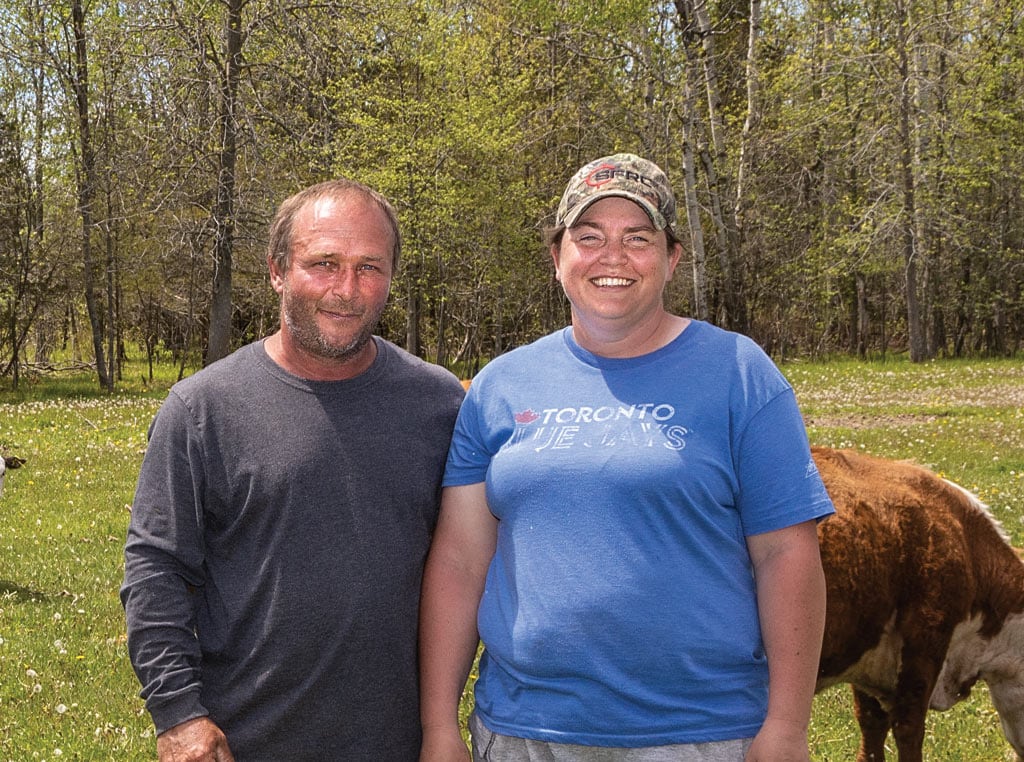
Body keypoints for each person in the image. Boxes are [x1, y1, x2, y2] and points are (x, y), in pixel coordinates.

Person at [419, 154, 835, 761]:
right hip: (524, 731)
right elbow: (459, 561)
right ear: (557, 258)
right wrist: (438, 727)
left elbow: (787, 554)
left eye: (636, 239)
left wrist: (787, 728)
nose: (611, 256)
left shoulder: (739, 374)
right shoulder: (501, 385)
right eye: (588, 237)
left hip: (699, 732)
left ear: (670, 259)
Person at [121, 179, 465, 761]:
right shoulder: (202, 409)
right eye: (323, 264)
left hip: (398, 744)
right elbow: (155, 571)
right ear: (278, 270)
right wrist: (178, 713)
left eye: (369, 268)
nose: (347, 289)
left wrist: (441, 728)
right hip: (246, 741)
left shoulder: (438, 406)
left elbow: (465, 565)